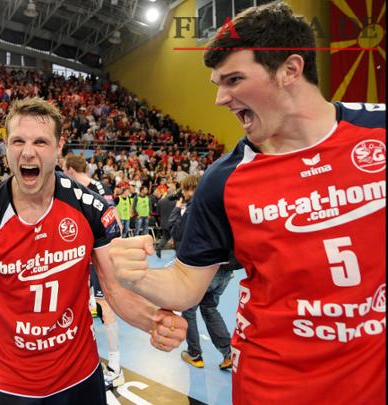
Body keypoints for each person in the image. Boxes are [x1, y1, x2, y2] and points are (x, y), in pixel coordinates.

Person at [110, 3, 386, 404]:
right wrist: (135, 277)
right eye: (218, 84)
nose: (220, 99)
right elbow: (186, 284)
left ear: (290, 69)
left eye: (234, 79)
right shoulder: (223, 180)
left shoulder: (377, 131)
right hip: (272, 386)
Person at [0, 98, 186, 404]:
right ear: (5, 146)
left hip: (80, 378)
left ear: (59, 147)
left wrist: (154, 321)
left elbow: (115, 291)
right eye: (18, 141)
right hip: (9, 383)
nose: (28, 152)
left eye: (40, 142)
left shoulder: (89, 208)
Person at [62, 153, 124, 389]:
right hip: (81, 257)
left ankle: (115, 367)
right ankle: (82, 360)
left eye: (63, 170)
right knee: (78, 305)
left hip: (98, 257)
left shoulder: (96, 190)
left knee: (105, 307)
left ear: (69, 170)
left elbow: (116, 225)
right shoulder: (84, 189)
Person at [168, 174, 236, 370]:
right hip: (225, 268)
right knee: (209, 308)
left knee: (189, 310)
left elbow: (177, 232)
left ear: (189, 189)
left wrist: (178, 209)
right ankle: (229, 353)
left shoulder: (196, 207)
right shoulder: (221, 203)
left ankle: (194, 353)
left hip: (205, 269)